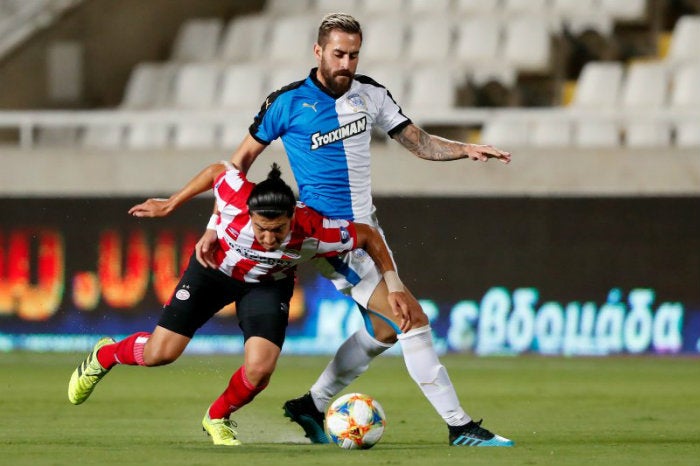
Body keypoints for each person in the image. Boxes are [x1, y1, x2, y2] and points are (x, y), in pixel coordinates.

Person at [195, 13, 514, 447]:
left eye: (353, 54)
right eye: (338, 54)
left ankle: (312, 403)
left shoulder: (371, 94)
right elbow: (236, 165)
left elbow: (417, 141)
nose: (346, 62)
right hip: (331, 236)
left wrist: (465, 149)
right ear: (318, 52)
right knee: (411, 320)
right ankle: (460, 426)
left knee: (384, 330)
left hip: (366, 228)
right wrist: (216, 222)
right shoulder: (287, 102)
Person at [67, 161, 415, 446]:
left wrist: (394, 284)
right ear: (249, 213)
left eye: (277, 230)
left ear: (291, 218)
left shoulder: (314, 229)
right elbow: (218, 170)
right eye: (261, 228)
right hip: (212, 273)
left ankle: (218, 418)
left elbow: (368, 236)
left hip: (267, 286)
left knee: (260, 369)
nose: (268, 238)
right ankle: (105, 355)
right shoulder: (237, 197)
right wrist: (173, 202)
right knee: (161, 354)